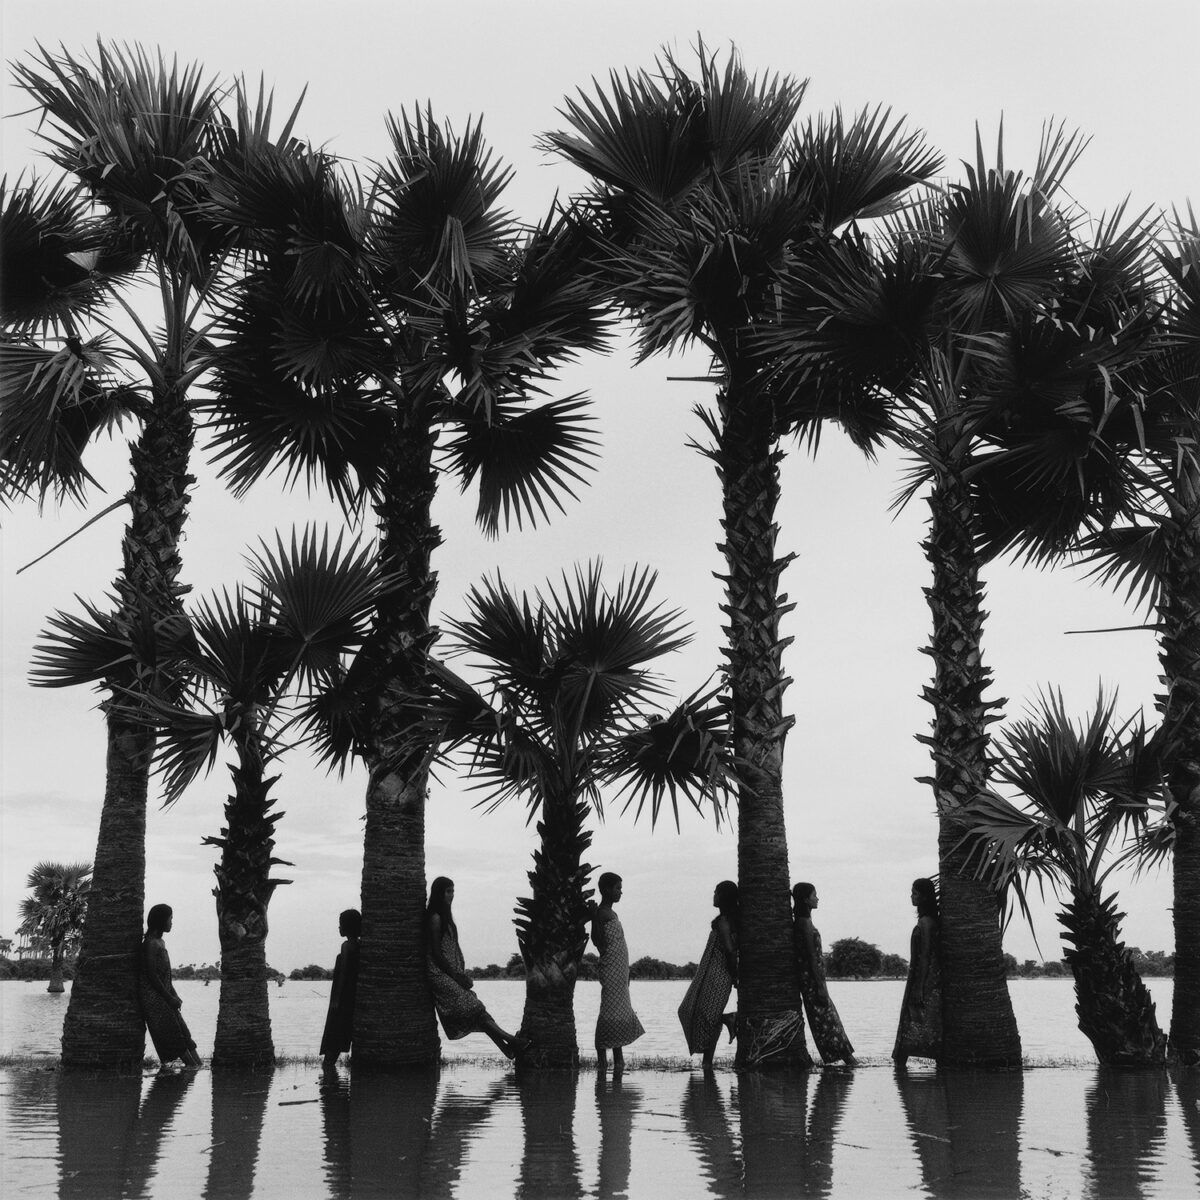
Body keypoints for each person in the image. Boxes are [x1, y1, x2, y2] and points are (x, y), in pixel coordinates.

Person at [426, 877, 528, 1058]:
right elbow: (435, 952)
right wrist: (455, 976)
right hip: (439, 975)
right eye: (448, 891)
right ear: (439, 893)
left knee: (479, 1011)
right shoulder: (435, 918)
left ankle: (507, 1050)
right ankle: (512, 1041)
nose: (451, 895)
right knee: (474, 1009)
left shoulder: (446, 917)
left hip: (452, 974)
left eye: (453, 891)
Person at [677, 880, 739, 1068]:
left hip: (718, 975)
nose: (714, 896)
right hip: (711, 974)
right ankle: (707, 1061)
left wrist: (735, 975)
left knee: (705, 1016)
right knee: (695, 1012)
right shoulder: (724, 921)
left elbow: (730, 950)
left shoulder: (724, 923)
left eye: (716, 892)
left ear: (724, 897)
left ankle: (708, 1061)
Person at [792, 882, 855, 1064]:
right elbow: (812, 957)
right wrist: (820, 986)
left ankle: (844, 1061)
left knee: (826, 1020)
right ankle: (848, 1061)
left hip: (812, 979)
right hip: (812, 980)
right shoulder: (804, 923)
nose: (817, 898)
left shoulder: (803, 922)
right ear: (806, 899)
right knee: (828, 1021)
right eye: (814, 895)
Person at [591, 872, 645, 1073]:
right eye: (618, 888)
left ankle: (618, 1060)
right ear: (606, 890)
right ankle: (603, 1060)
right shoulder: (600, 913)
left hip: (620, 971)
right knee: (609, 1009)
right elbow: (598, 942)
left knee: (618, 1010)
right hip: (611, 969)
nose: (620, 892)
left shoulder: (610, 913)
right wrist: (593, 918)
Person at [139, 903, 202, 1068]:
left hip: (165, 996)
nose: (172, 922)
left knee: (184, 1033)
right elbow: (152, 975)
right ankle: (192, 1068)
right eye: (170, 919)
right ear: (161, 920)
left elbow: (166, 976)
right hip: (155, 999)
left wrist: (174, 995)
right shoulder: (151, 943)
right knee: (174, 1036)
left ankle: (197, 1068)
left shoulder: (160, 942)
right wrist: (168, 997)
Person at [893, 877, 943, 1066]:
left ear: (923, 897)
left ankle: (900, 1074)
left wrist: (919, 987)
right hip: (929, 981)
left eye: (914, 893)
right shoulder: (930, 921)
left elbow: (925, 957)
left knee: (911, 1022)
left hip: (924, 981)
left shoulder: (925, 923)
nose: (911, 897)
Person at [320, 908, 361, 1071]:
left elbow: (343, 973)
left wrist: (336, 1000)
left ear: (347, 926)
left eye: (341, 925)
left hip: (342, 998)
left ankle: (328, 1072)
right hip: (351, 997)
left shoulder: (346, 946)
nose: (339, 928)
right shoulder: (359, 946)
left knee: (333, 1038)